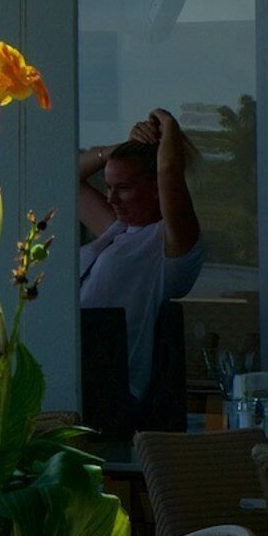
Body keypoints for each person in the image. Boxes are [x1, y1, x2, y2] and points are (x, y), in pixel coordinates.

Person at [77, 108, 203, 406]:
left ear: (156, 189)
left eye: (123, 188)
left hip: (110, 386)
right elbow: (65, 177)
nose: (111, 198)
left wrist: (168, 125)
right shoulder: (115, 230)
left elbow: (169, 171)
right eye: (109, 187)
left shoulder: (168, 242)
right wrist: (118, 149)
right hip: (77, 371)